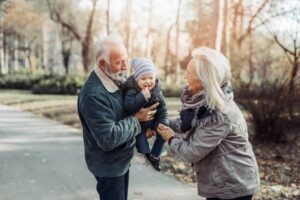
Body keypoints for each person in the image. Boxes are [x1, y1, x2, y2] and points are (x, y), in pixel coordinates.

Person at [157, 47, 260, 200]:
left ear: (206, 78)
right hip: (219, 182)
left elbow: (191, 152)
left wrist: (171, 138)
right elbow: (185, 125)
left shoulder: (219, 114)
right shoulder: (203, 103)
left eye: (190, 73)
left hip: (233, 186)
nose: (186, 77)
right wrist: (161, 123)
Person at [77, 33, 159, 200]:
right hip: (108, 168)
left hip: (120, 162)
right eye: (119, 62)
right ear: (102, 64)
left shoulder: (115, 80)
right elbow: (108, 138)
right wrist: (137, 120)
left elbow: (121, 115)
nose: (125, 66)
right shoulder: (94, 94)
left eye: (126, 60)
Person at [123, 58, 168, 171]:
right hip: (139, 127)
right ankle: (147, 153)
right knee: (142, 148)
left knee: (164, 133)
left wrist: (162, 123)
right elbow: (128, 106)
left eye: (151, 78)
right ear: (137, 79)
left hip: (153, 123)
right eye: (143, 78)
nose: (148, 81)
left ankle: (155, 155)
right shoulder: (132, 91)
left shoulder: (157, 91)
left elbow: (162, 108)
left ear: (155, 78)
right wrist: (142, 97)